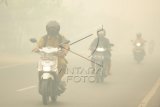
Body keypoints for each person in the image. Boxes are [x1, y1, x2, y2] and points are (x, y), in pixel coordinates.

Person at [33, 20, 70, 93]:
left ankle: (58, 81)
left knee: (63, 65)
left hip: (58, 57)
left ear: (57, 29)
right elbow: (39, 45)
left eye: (54, 29)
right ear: (47, 29)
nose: (52, 30)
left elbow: (66, 45)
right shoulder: (44, 38)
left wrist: (64, 51)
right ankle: (40, 82)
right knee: (39, 66)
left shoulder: (61, 38)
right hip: (46, 57)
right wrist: (36, 48)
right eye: (50, 29)